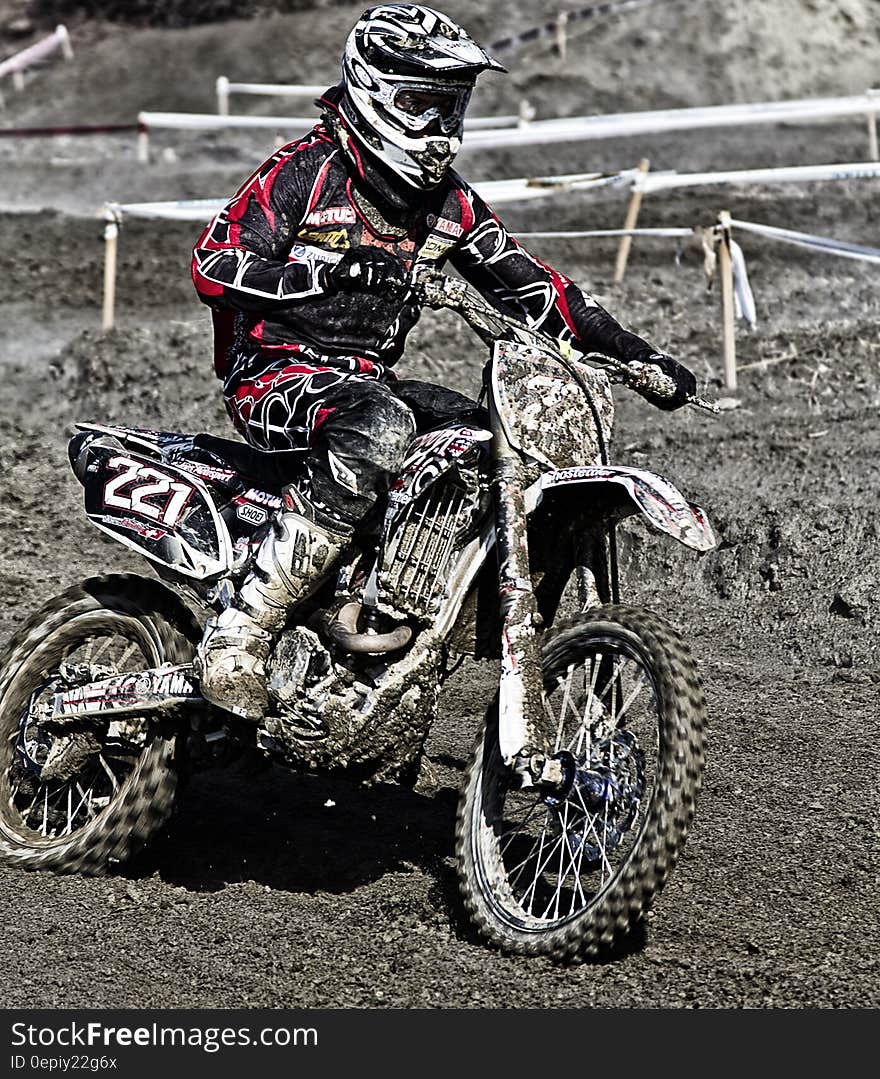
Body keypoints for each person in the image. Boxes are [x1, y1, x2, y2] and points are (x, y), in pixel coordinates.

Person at [191, 3, 697, 720]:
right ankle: (239, 635)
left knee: (475, 439)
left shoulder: (447, 205)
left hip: (362, 381)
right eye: (421, 105)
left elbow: (537, 287)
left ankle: (390, 604)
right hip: (274, 373)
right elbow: (212, 263)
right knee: (377, 426)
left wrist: (637, 355)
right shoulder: (305, 171)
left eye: (450, 108)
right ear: (374, 93)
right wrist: (324, 276)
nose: (439, 130)